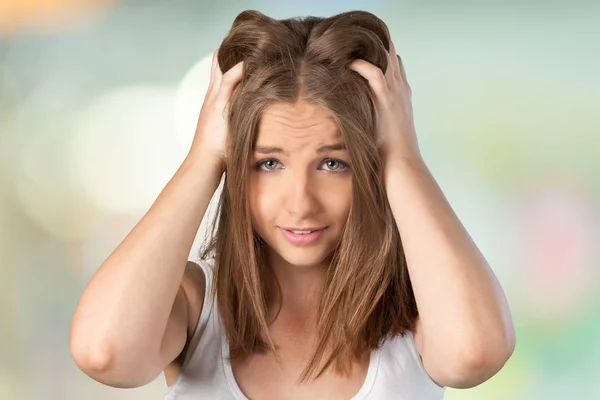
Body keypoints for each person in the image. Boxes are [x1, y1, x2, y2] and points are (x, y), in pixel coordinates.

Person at [69, 9, 515, 400]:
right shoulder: (192, 304)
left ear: (370, 165)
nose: (301, 203)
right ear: (234, 166)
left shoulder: (419, 310)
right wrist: (202, 158)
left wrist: (402, 158)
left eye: (333, 163)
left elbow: (475, 354)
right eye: (268, 163)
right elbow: (104, 353)